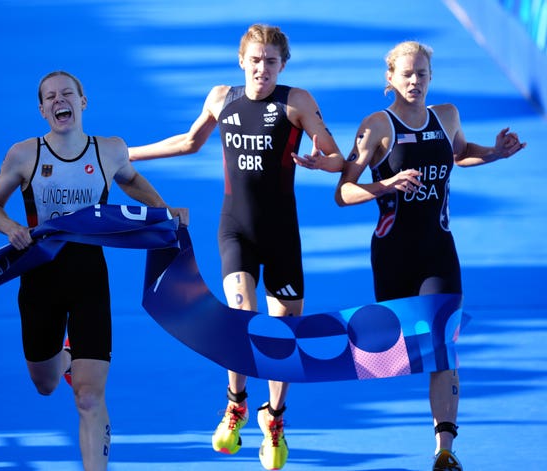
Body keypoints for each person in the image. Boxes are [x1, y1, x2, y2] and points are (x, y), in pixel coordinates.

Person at [129, 24, 344, 470]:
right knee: (240, 316)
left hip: (282, 234)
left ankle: (276, 418)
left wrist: (322, 162)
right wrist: (127, 155)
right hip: (235, 229)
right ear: (241, 61)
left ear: (282, 65)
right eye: (255, 59)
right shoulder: (221, 98)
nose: (262, 68)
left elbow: (336, 157)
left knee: (285, 334)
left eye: (271, 61)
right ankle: (237, 404)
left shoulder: (296, 101)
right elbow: (189, 142)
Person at [321, 41, 524, 470]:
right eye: (407, 75)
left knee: (443, 345)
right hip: (393, 253)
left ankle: (445, 449)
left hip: (438, 250)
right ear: (390, 78)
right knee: (395, 352)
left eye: (423, 74)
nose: (415, 82)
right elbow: (342, 193)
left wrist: (493, 152)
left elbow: (458, 153)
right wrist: (386, 184)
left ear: (431, 76)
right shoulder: (377, 126)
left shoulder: (446, 116)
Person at [0, 70, 188, 471]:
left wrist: (166, 213)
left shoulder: (109, 150)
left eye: (68, 94)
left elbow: (132, 182)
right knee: (45, 385)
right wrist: (11, 228)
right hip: (40, 276)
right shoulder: (24, 155)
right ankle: (65, 356)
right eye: (51, 97)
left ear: (83, 102)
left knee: (89, 397)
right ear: (43, 110)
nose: (61, 100)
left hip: (90, 276)